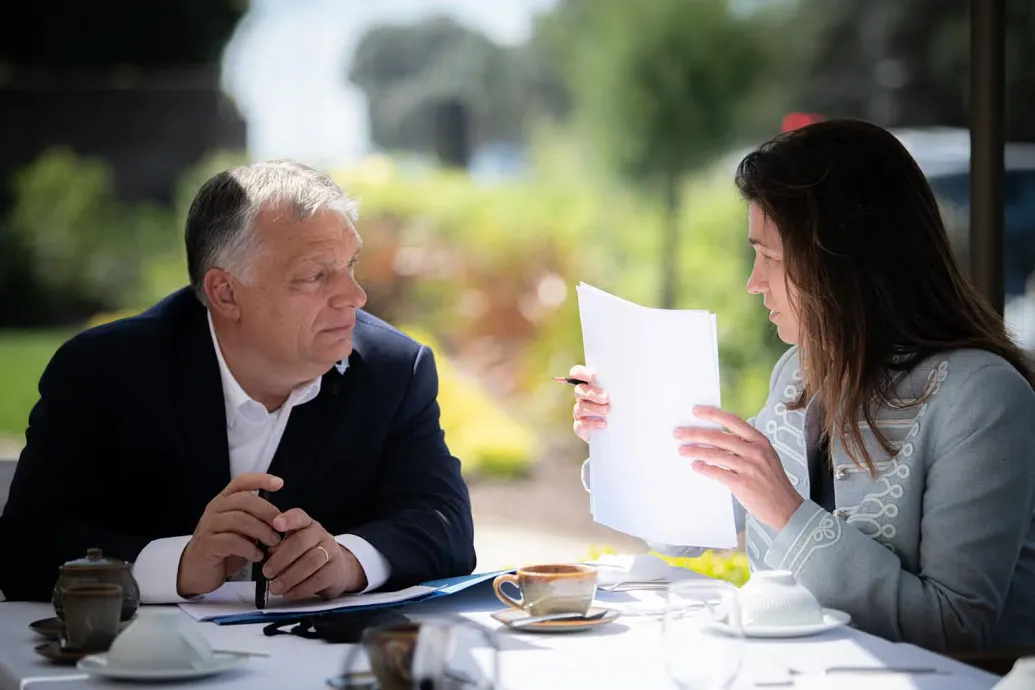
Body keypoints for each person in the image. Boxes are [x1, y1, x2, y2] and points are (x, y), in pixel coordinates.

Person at [570, 119, 1035, 652]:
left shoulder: (983, 399)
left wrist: (787, 510)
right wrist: (620, 436)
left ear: (845, 260)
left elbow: (956, 628)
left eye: (770, 256)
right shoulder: (799, 373)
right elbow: (690, 528)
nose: (753, 281)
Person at [0, 160, 476, 603]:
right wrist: (179, 564)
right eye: (315, 275)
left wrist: (349, 561)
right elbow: (25, 547)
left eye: (350, 265)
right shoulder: (102, 372)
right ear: (225, 293)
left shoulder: (395, 369)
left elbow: (444, 525)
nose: (355, 295)